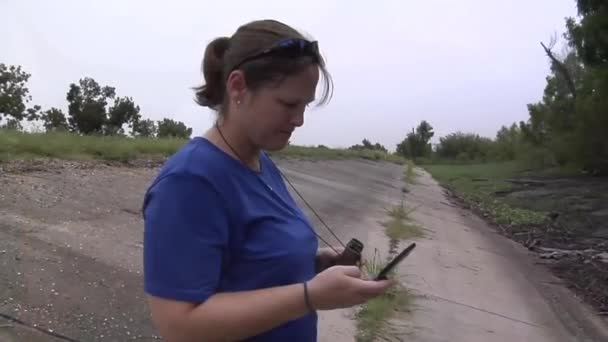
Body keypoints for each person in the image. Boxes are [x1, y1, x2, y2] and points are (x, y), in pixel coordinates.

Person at [142, 19, 393, 342]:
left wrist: (312, 263)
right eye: (289, 104)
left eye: (305, 106)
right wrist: (309, 296)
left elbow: (248, 267)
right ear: (238, 87)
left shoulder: (261, 162)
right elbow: (179, 327)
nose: (299, 119)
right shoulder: (190, 182)